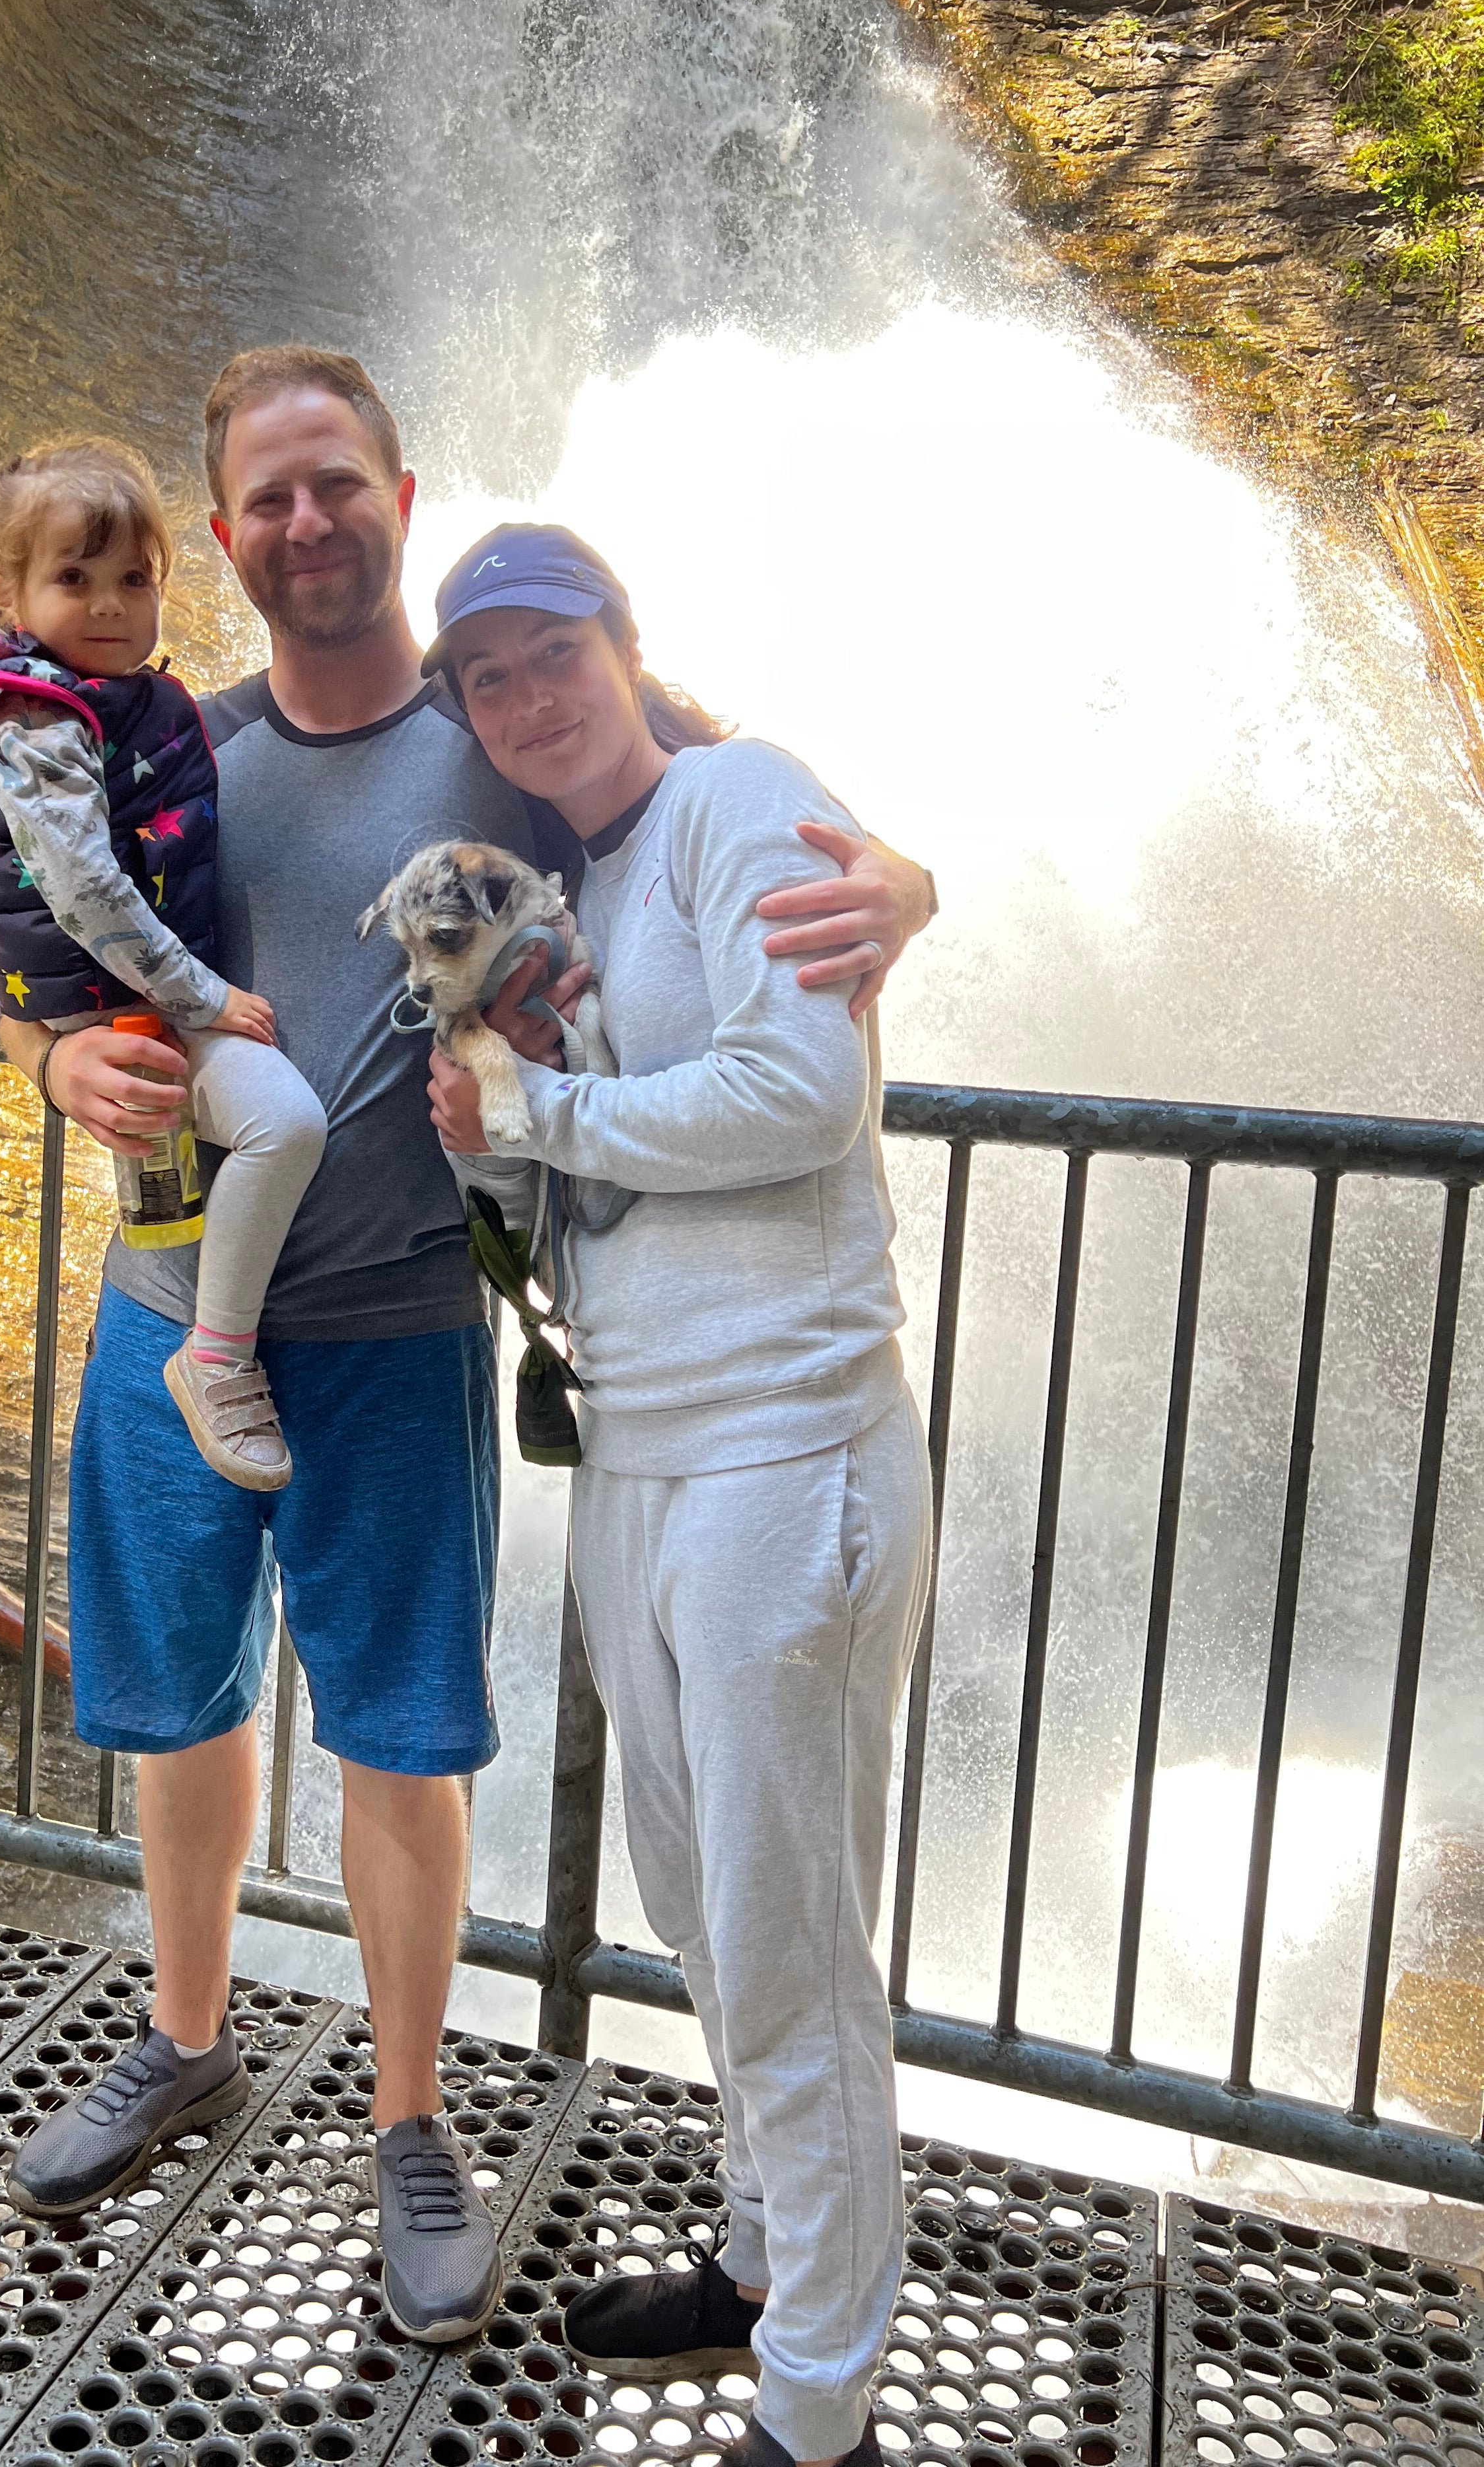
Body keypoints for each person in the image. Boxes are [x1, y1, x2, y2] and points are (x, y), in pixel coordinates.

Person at [0, 353, 937, 2342]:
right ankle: (186, 2041)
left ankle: (410, 2122)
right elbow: (37, 962)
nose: (309, 522)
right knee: (176, 1708)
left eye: (340, 483)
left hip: (405, 1331)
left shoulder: (504, 731)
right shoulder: (170, 743)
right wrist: (50, 1046)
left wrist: (907, 882)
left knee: (400, 1737)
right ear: (225, 534)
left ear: (399, 496)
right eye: (271, 497)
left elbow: (732, 786)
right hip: (169, 1315)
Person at [423, 524, 930, 2467]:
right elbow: (586, 1200)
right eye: (490, 678)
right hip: (641, 1456)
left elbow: (803, 1094)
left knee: (790, 1940)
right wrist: (488, 1132)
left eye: (555, 653)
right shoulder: (567, 889)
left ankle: (819, 2410)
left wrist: (540, 1108)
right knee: (705, 1909)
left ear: (627, 649)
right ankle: (763, 2262)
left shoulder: (740, 796)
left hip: (785, 1457)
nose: (529, 697)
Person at [0, 438, 327, 1491]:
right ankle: (216, 1355)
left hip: (126, 1002)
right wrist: (196, 1000)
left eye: (132, 578)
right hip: (136, 1000)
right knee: (283, 1125)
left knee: (204, 1164)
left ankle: (212, 1346)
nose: (107, 604)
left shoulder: (123, 706)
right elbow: (81, 889)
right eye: (72, 578)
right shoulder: (39, 715)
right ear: (7, 595)